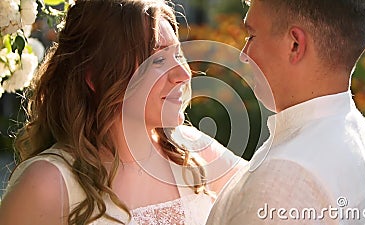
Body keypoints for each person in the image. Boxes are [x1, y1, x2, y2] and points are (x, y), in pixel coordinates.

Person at [0, 0, 245, 224]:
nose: (183, 74)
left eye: (178, 54)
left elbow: (277, 193)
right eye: (158, 60)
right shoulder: (48, 184)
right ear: (96, 77)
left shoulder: (196, 154)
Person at [206, 0, 365, 224]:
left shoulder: (282, 178)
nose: (244, 54)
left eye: (251, 36)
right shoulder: (357, 129)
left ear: (295, 45)